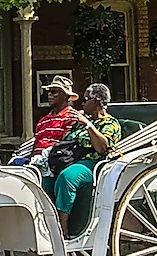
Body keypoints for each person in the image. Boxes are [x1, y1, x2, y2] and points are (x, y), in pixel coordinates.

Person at [42, 82, 122, 232]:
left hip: (92, 163)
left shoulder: (110, 123)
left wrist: (88, 125)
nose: (82, 103)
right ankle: (45, 222)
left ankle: (62, 227)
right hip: (70, 159)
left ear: (97, 101)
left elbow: (102, 148)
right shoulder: (79, 122)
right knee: (44, 180)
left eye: (86, 99)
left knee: (67, 177)